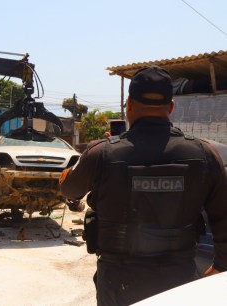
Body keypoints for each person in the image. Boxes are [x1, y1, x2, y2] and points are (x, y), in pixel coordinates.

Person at [59, 66, 227, 305]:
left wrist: (76, 165)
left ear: (128, 104)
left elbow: (68, 189)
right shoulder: (205, 154)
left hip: (118, 281)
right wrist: (220, 266)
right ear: (170, 107)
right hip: (179, 279)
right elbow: (224, 216)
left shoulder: (102, 153)